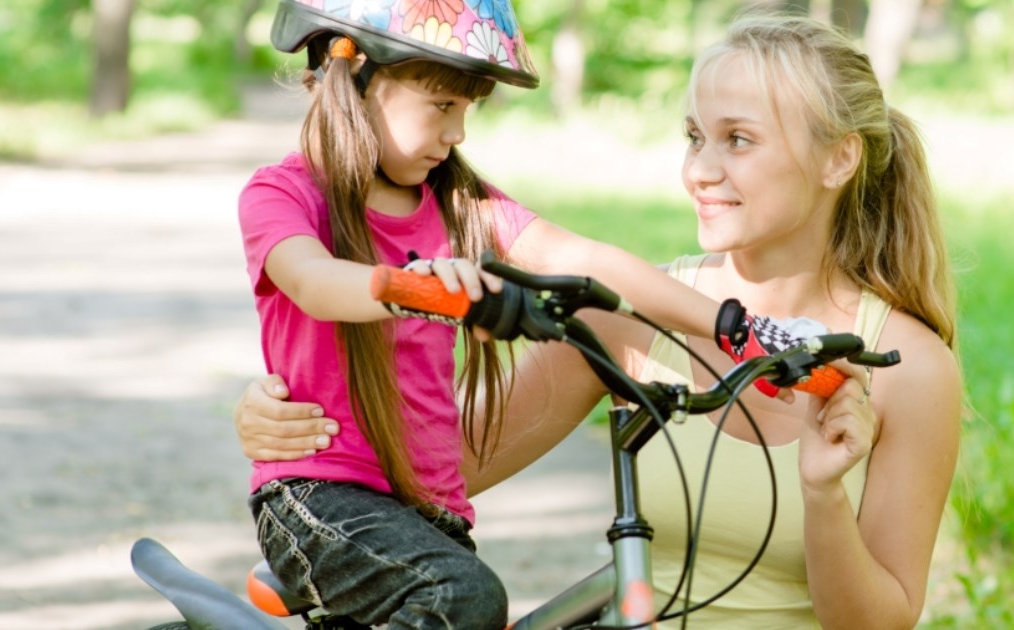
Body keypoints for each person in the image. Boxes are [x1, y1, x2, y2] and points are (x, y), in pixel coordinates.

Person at [237, 7, 962, 629]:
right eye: (692, 138)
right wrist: (293, 429)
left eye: (737, 140)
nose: (698, 171)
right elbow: (433, 468)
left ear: (840, 159)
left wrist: (822, 491)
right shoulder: (626, 325)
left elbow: (878, 619)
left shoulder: (904, 368)